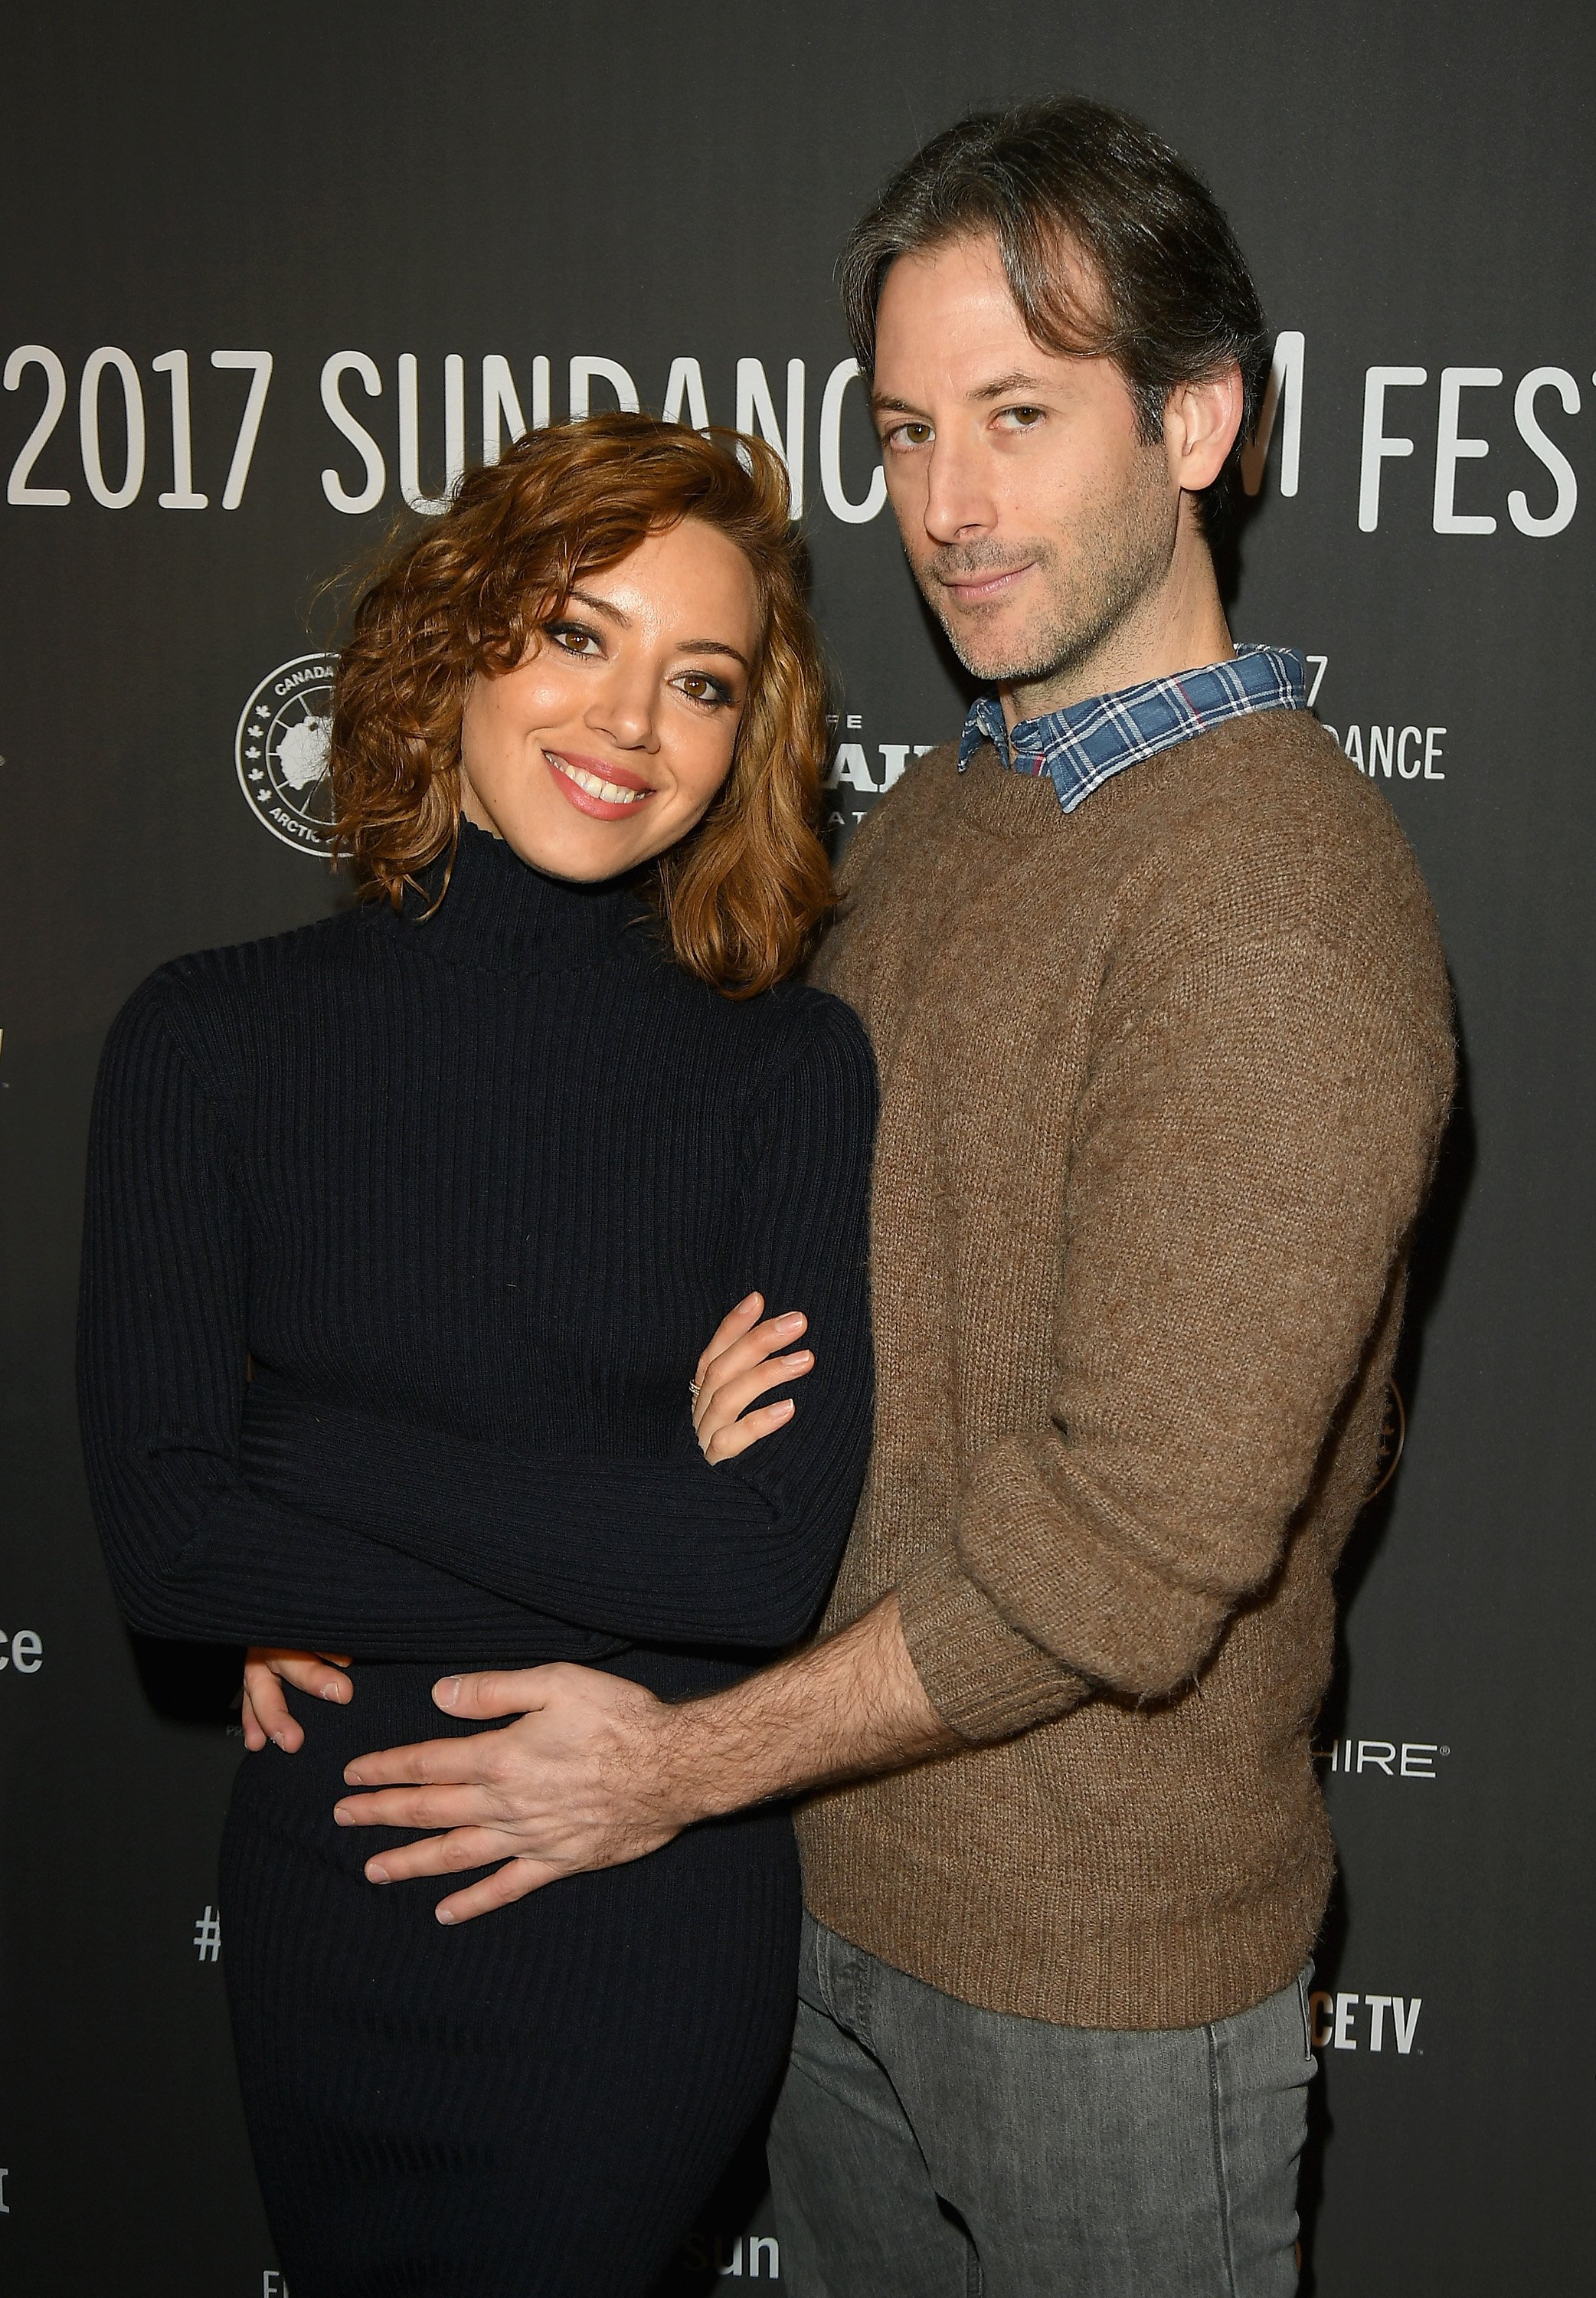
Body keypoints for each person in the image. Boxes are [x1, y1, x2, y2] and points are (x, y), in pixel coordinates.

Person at [246, 99, 1457, 2296]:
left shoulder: (1273, 901)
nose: (949, 508)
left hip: (1094, 1985)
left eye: (1017, 414)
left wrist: (682, 1770)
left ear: (1200, 422)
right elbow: (673, 1293)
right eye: (906, 432)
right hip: (820, 1913)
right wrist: (348, 1555)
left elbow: (1132, 1553)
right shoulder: (943, 820)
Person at [77, 412, 877, 2297]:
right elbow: (171, 1557)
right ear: (460, 640)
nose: (629, 724)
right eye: (578, 635)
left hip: (630, 1924)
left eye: (701, 680)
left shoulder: (784, 1073)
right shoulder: (208, 1044)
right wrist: (632, 1506)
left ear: (744, 736)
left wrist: (291, 1453)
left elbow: (755, 1563)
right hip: (323, 1909)